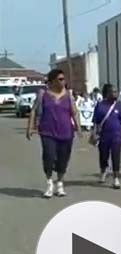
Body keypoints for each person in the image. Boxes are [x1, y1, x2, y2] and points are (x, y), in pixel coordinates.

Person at [26, 68, 81, 198]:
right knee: (49, 157)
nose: (63, 81)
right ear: (53, 81)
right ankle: (49, 183)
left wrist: (78, 127)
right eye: (60, 79)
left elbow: (74, 112)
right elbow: (33, 111)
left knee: (63, 158)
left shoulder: (68, 95)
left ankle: (60, 183)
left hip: (66, 132)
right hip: (47, 132)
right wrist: (30, 127)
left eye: (63, 79)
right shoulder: (43, 94)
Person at [90, 84, 121, 189]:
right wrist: (93, 134)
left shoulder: (119, 106)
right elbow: (95, 122)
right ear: (107, 93)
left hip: (116, 136)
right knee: (103, 155)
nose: (116, 93)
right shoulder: (100, 105)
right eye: (113, 92)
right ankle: (103, 170)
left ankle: (115, 178)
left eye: (116, 91)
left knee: (116, 156)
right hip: (103, 136)